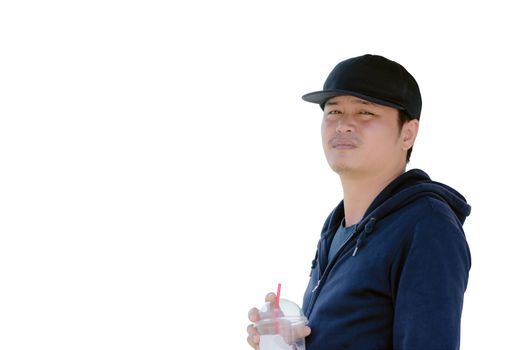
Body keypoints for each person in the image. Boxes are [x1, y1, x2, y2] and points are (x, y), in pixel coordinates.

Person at [246, 54, 471, 350]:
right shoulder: (337, 226)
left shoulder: (427, 225)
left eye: (365, 113)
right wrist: (291, 343)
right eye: (334, 111)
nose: (343, 125)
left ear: (408, 133)